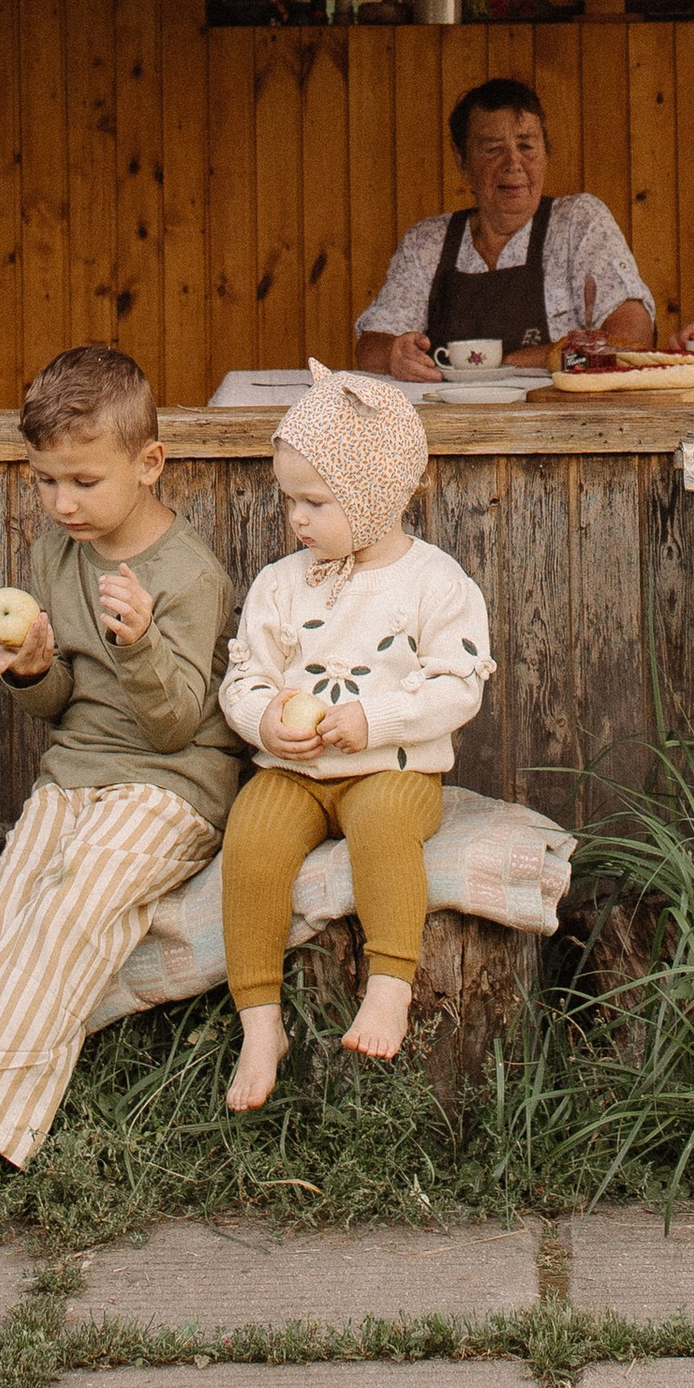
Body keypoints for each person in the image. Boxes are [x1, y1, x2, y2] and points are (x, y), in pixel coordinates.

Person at [0, 343, 239, 1231]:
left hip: (171, 789)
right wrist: (34, 668)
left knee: (70, 919)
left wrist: (141, 642)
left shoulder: (187, 575)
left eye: (83, 481)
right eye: (44, 482)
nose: (62, 502)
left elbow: (178, 723)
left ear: (149, 464)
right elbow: (67, 701)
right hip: (75, 778)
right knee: (6, 921)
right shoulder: (61, 552)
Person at [216, 361, 494, 1109]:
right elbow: (243, 674)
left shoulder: (434, 583)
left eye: (316, 501)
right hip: (295, 772)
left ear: (376, 495)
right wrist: (264, 719)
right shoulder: (281, 583)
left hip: (393, 770)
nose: (298, 519)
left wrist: (376, 720)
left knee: (382, 833)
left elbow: (457, 682)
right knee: (249, 842)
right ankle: (260, 1020)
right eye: (289, 501)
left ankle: (390, 985)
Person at [351, 75, 654, 381]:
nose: (513, 163)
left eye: (526, 146)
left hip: (560, 420)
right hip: (450, 421)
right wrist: (395, 356)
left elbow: (632, 339)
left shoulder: (578, 222)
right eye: (494, 149)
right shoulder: (427, 242)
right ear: (462, 161)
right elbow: (370, 346)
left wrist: (508, 363)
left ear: (546, 153)